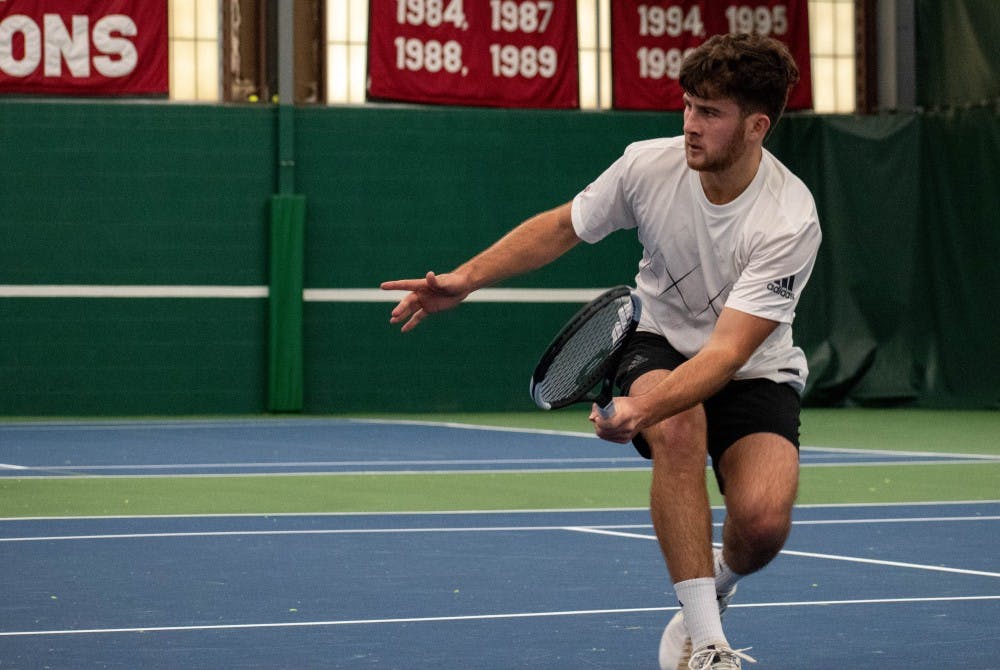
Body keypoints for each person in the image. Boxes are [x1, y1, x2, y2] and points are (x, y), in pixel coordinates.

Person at [381, 32, 821, 670]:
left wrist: (637, 412)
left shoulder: (789, 218)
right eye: (688, 105)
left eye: (710, 113)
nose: (690, 124)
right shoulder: (647, 166)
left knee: (761, 526)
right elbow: (565, 226)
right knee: (678, 430)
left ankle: (714, 588)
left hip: (751, 365)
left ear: (757, 127)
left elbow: (727, 354)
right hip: (657, 338)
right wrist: (466, 278)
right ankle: (709, 646)